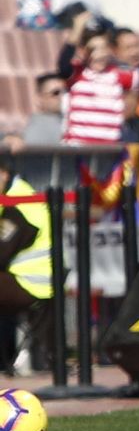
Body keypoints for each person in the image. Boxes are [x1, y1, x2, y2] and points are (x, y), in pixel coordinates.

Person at [0, 153, 53, 376]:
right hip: (24, 279)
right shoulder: (11, 195)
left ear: (3, 174)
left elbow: (1, 252)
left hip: (34, 283)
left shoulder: (19, 204)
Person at [62, 30, 138, 146]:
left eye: (103, 48)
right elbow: (63, 65)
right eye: (94, 49)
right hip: (78, 146)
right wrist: (77, 27)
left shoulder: (118, 75)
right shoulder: (77, 73)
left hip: (107, 147)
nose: (99, 53)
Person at [21, 74, 64, 146]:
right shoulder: (39, 126)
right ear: (39, 98)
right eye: (56, 93)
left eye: (65, 91)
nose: (62, 96)